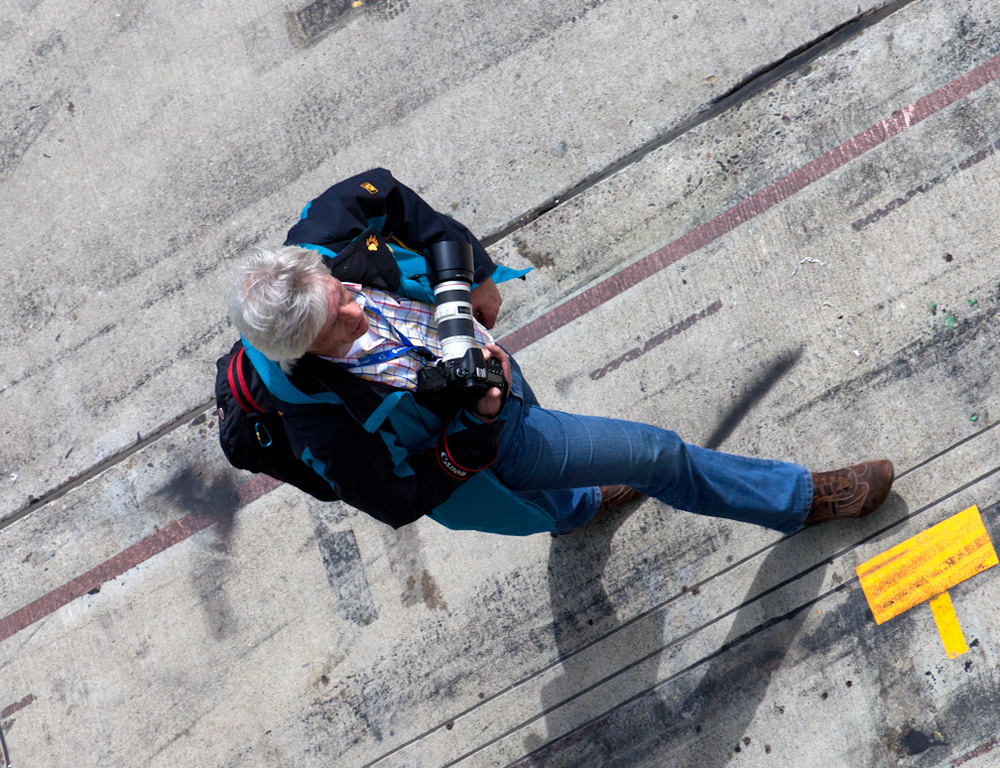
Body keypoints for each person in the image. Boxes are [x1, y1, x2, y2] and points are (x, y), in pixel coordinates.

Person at [226, 168, 894, 536]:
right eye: (340, 320)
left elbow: (384, 192)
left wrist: (475, 276)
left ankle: (576, 510)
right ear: (305, 350)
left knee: (562, 497)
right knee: (658, 454)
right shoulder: (319, 423)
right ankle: (799, 501)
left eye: (340, 288)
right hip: (495, 436)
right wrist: (475, 431)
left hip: (489, 371)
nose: (355, 302)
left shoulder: (319, 246)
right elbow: (399, 500)